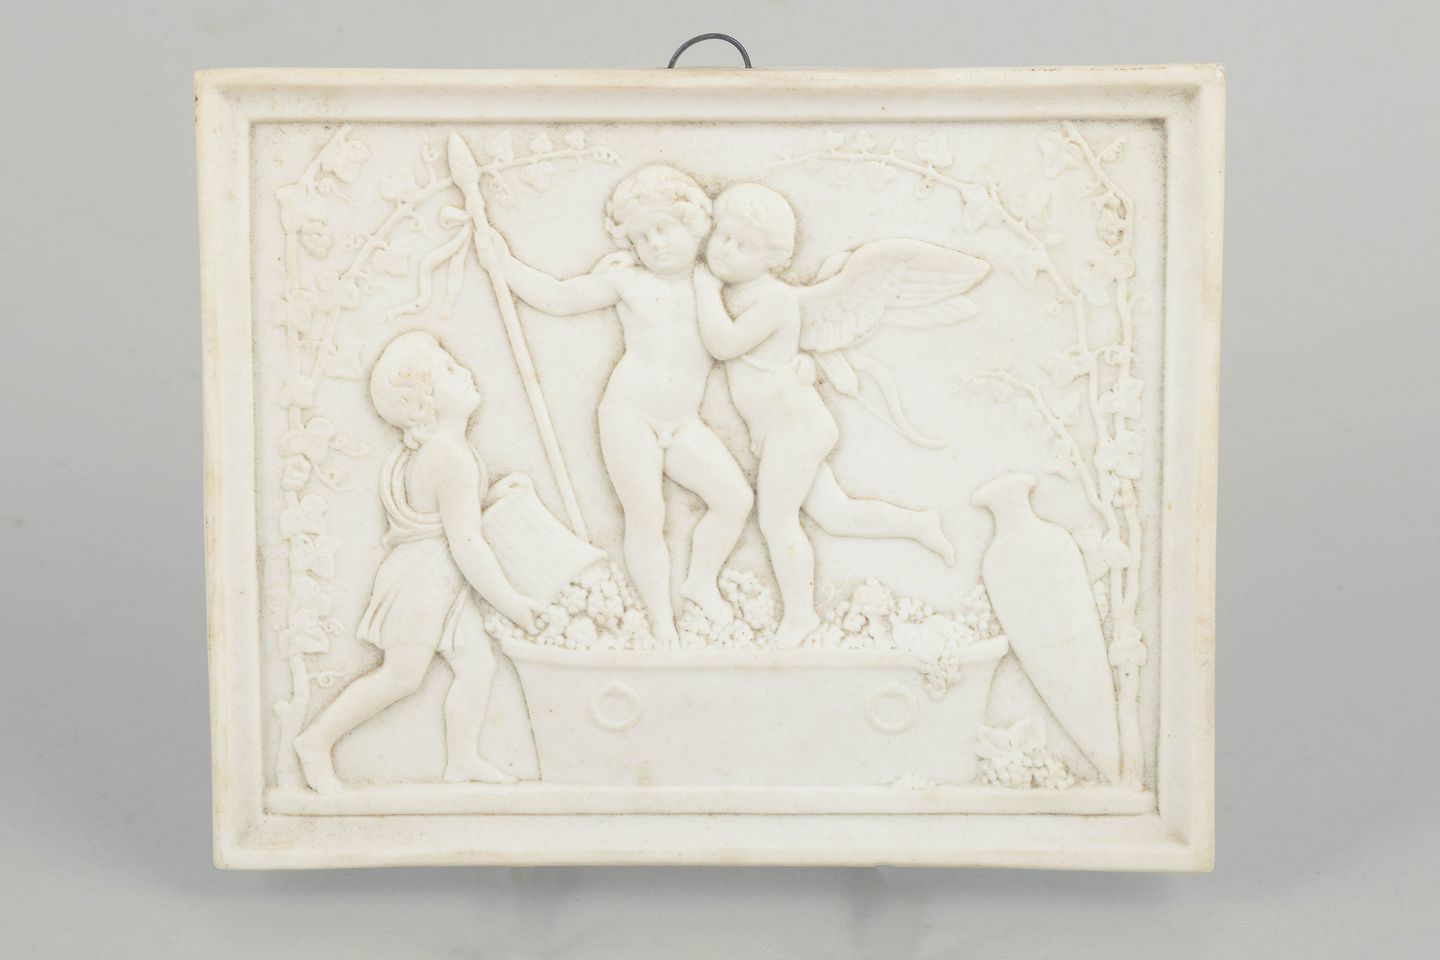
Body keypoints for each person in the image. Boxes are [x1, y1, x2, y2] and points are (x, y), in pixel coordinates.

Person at [483, 165, 752, 644]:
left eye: (663, 228)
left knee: (735, 499)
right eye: (642, 237)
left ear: (694, 223)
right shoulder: (627, 281)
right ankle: (661, 623)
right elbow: (559, 298)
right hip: (630, 416)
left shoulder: (714, 280)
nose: (655, 244)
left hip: (683, 422)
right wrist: (502, 263)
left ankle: (699, 581)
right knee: (647, 517)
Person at [694, 184, 956, 648]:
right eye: (723, 236)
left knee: (777, 521)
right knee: (836, 515)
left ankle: (801, 616)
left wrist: (702, 289)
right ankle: (919, 524)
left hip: (795, 428)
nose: (727, 250)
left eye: (744, 246)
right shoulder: (738, 294)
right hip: (780, 429)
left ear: (773, 259)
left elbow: (723, 344)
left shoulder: (773, 300)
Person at [294, 331, 542, 794]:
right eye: (448, 369)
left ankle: (462, 760)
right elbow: (466, 544)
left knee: (477, 667)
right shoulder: (451, 457)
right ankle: (315, 741)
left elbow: (447, 518)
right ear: (423, 401)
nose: (464, 370)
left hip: (440, 580)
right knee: (401, 676)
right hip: (423, 583)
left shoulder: (438, 452)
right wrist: (510, 602)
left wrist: (490, 499)